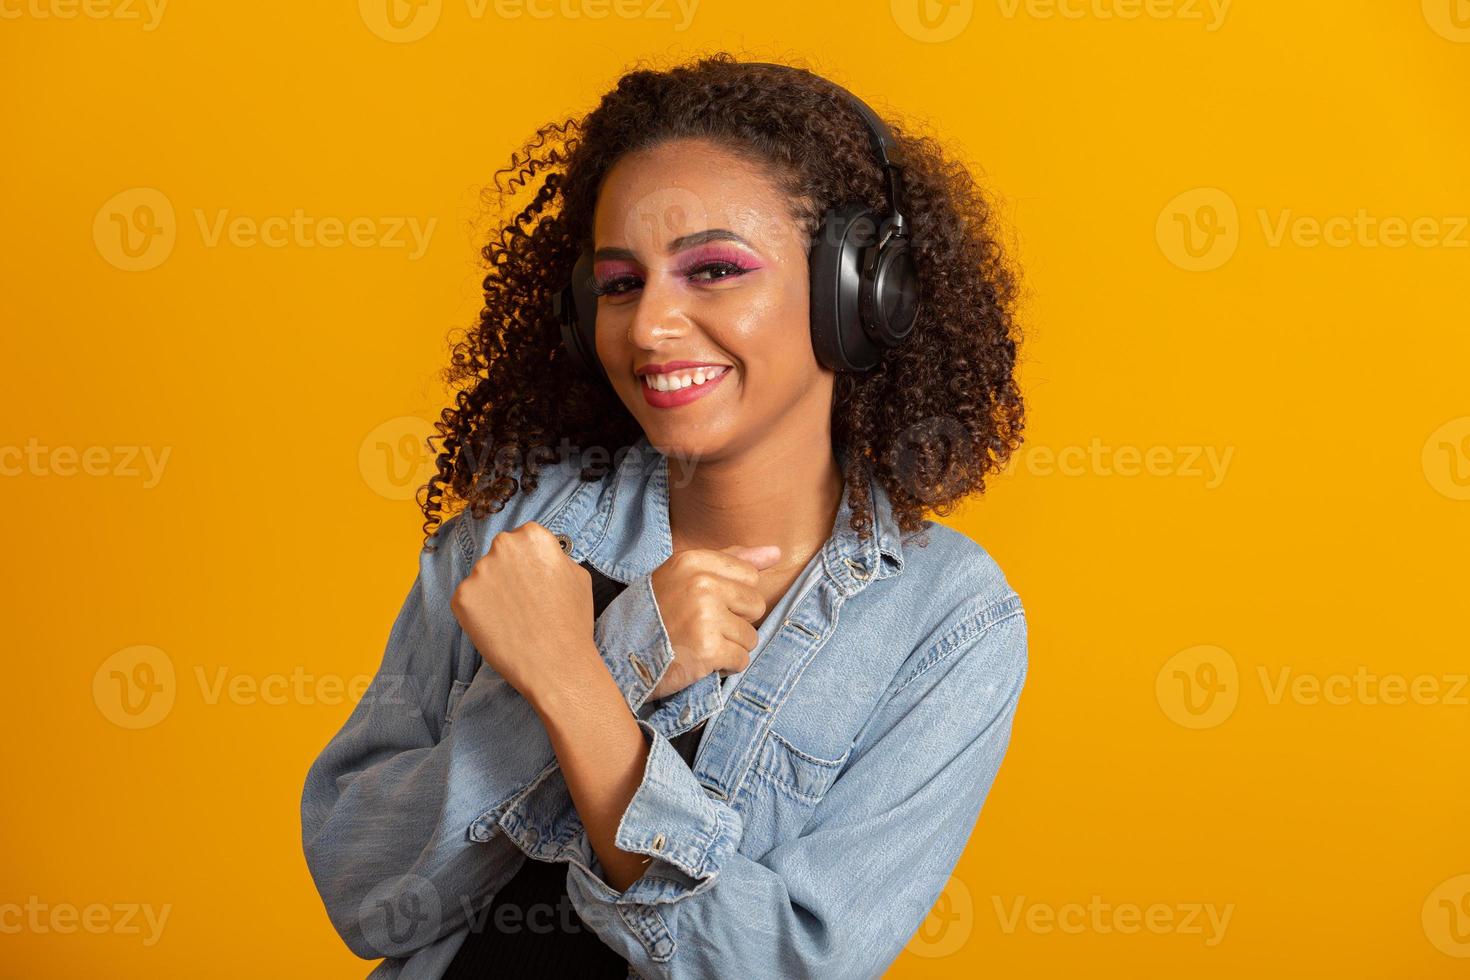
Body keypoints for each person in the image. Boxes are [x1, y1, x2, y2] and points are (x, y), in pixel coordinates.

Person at [301, 53, 1029, 979]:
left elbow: (780, 964)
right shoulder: (513, 531)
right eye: (619, 283)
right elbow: (366, 892)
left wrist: (580, 673)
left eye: (715, 270)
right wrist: (624, 655)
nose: (648, 327)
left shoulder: (947, 624)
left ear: (856, 294)